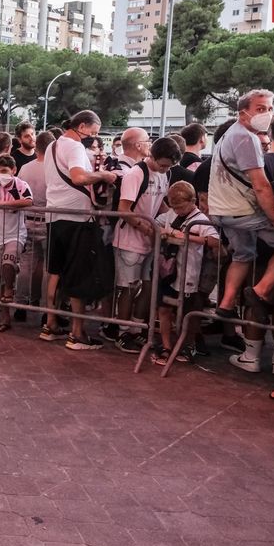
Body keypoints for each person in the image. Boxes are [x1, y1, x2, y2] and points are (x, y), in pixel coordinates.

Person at [207, 89, 274, 323]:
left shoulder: (229, 134)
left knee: (243, 255)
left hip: (223, 211)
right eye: (260, 109)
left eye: (270, 109)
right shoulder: (247, 138)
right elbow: (261, 185)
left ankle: (226, 304)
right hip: (243, 211)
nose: (267, 114)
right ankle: (260, 290)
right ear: (243, 112)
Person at [41, 110, 117, 350]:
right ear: (82, 126)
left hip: (54, 214)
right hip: (76, 218)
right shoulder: (74, 147)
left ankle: (50, 324)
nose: (93, 137)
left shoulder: (53, 145)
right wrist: (104, 175)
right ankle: (77, 333)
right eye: (93, 132)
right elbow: (78, 178)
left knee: (54, 272)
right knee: (79, 274)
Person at [111, 137, 180, 352]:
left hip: (150, 241)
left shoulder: (164, 174)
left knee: (149, 286)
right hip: (129, 240)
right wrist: (148, 229)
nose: (165, 169)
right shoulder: (136, 174)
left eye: (169, 166)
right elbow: (124, 209)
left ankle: (137, 327)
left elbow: (160, 205)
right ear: (152, 156)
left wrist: (172, 221)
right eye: (163, 165)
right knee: (129, 287)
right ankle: (123, 331)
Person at [152, 181, 219, 365]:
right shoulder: (170, 214)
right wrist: (164, 232)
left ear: (192, 201)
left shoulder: (200, 219)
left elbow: (215, 240)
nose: (178, 211)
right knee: (164, 309)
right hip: (167, 271)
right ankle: (166, 346)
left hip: (188, 273)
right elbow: (155, 224)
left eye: (181, 207)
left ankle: (187, 345)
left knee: (186, 313)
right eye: (175, 207)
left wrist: (188, 237)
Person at [0, 154, 33, 331]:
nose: (1, 175)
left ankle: (11, 288)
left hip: (15, 235)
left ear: (13, 170)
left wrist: (1, 204)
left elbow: (28, 201)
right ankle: (5, 317)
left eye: (4, 171)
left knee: (8, 263)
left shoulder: (20, 185)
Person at [15, 131, 53, 323]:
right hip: (48, 220)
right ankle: (47, 309)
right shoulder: (53, 170)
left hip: (28, 219)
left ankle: (20, 305)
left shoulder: (25, 168)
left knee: (26, 265)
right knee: (48, 268)